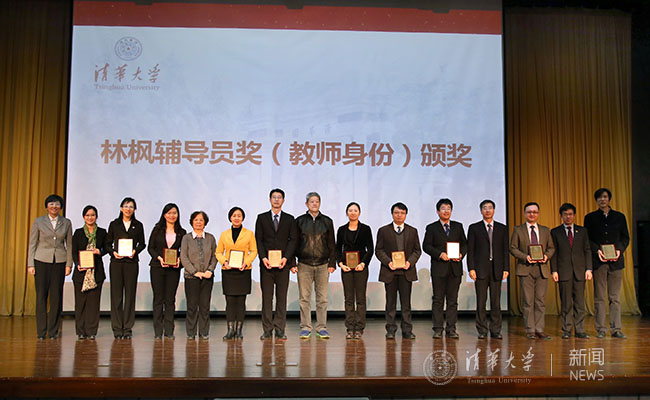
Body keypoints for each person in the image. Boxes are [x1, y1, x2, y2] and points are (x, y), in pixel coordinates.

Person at [584, 188, 630, 339]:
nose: (602, 199)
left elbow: (625, 238)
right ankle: (601, 329)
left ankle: (616, 329)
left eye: (604, 197)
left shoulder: (619, 217)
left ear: (609, 199)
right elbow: (587, 239)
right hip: (599, 262)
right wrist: (597, 250)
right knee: (599, 297)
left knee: (614, 297)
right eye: (599, 197)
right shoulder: (590, 218)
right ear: (596, 200)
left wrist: (619, 251)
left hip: (616, 263)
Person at [27, 194, 73, 339]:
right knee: (41, 296)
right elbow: (32, 243)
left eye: (57, 204)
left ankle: (53, 331)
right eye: (51, 204)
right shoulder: (38, 221)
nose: (54, 207)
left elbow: (69, 245)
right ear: (47, 206)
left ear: (61, 207)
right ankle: (41, 331)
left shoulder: (66, 222)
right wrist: (30, 264)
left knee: (56, 297)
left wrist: (69, 264)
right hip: (41, 261)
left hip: (59, 262)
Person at [255, 189, 298, 341]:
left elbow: (293, 240)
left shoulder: (289, 219)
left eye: (279, 197)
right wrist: (263, 258)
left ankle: (280, 328)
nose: (277, 200)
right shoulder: (261, 218)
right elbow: (258, 240)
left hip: (283, 265)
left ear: (283, 200)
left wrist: (286, 258)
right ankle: (267, 330)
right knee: (267, 298)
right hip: (266, 265)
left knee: (281, 298)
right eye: (274, 197)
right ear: (270, 200)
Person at [375, 202, 421, 339]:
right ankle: (390, 330)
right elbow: (379, 250)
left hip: (406, 272)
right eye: (396, 213)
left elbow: (417, 250)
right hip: (390, 272)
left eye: (402, 213)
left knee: (406, 304)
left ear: (406, 215)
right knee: (390, 303)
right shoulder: (383, 230)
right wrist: (388, 262)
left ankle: (407, 330)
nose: (399, 215)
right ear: (392, 214)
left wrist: (409, 262)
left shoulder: (412, 231)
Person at [422, 198, 467, 339]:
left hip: (455, 269)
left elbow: (465, 244)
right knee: (438, 300)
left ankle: (451, 329)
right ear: (437, 211)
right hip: (439, 269)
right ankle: (437, 329)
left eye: (448, 209)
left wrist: (461, 254)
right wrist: (439, 254)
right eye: (443, 209)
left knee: (453, 300)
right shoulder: (431, 227)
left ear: (451, 211)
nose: (446, 211)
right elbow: (426, 246)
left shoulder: (458, 226)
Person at [294, 192, 336, 339]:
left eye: (317, 201)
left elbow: (332, 244)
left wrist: (332, 262)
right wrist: (293, 262)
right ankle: (305, 327)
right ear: (306, 204)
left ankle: (321, 327)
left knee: (322, 299)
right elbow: (294, 243)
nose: (314, 204)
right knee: (304, 298)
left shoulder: (327, 221)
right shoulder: (299, 221)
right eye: (311, 201)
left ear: (320, 203)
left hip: (323, 264)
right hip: (304, 264)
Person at [510, 202, 555, 340]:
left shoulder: (545, 230)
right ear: (525, 213)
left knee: (540, 301)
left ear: (538, 214)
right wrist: (525, 257)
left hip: (542, 269)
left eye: (534, 212)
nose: (532, 214)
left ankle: (539, 329)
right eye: (529, 212)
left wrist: (546, 256)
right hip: (526, 269)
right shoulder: (518, 230)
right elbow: (512, 248)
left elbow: (551, 248)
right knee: (528, 301)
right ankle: (530, 330)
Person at [467, 199, 509, 339]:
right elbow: (470, 250)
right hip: (480, 269)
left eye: (490, 208)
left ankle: (496, 330)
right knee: (481, 301)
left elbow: (505, 250)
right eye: (484, 208)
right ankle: (482, 330)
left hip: (497, 269)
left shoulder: (502, 228)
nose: (487, 210)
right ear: (481, 211)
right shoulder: (474, 228)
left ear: (494, 210)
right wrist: (471, 268)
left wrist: (506, 268)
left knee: (496, 302)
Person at [105, 197, 146, 339]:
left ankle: (127, 328)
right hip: (116, 263)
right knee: (116, 296)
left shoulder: (138, 225)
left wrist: (135, 251)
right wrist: (113, 252)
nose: (128, 209)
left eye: (131, 207)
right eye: (126, 206)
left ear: (134, 209)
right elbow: (107, 243)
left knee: (130, 295)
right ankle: (117, 329)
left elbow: (142, 244)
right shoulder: (114, 224)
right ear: (121, 208)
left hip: (131, 263)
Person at [550, 203, 592, 339]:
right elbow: (554, 253)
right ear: (561, 216)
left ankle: (580, 330)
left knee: (579, 303)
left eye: (570, 214)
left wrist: (589, 269)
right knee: (566, 303)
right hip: (563, 272)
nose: (568, 217)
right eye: (565, 214)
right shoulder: (555, 232)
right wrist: (554, 271)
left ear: (574, 215)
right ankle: (567, 330)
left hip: (580, 271)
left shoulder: (582, 231)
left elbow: (587, 250)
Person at [215, 207, 258, 340]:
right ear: (230, 218)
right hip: (228, 271)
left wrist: (246, 262)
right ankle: (230, 330)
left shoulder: (249, 234)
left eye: (239, 216)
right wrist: (224, 262)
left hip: (243, 271)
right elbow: (218, 252)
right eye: (234, 216)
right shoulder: (224, 234)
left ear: (243, 218)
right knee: (230, 302)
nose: (236, 218)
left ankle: (239, 330)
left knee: (240, 301)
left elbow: (254, 251)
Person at [147, 203, 187, 339]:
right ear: (164, 215)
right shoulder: (157, 230)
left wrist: (179, 260)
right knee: (158, 299)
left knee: (170, 300)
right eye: (169, 213)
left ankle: (169, 331)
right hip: (157, 267)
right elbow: (150, 248)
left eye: (174, 213)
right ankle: (158, 331)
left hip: (173, 270)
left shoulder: (182, 232)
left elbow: (184, 251)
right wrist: (159, 258)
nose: (172, 215)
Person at [335, 202, 374, 339]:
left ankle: (359, 328)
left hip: (361, 268)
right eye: (350, 210)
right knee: (349, 299)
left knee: (361, 299)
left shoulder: (365, 229)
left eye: (355, 210)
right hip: (346, 268)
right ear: (347, 213)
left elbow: (370, 249)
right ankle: (350, 327)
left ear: (359, 213)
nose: (353, 212)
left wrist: (363, 263)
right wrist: (340, 263)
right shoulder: (341, 230)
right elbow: (337, 249)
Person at [71, 205, 107, 340]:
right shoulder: (78, 233)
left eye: (92, 215)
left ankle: (91, 331)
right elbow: (74, 251)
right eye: (87, 215)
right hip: (81, 273)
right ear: (83, 217)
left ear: (96, 217)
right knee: (80, 304)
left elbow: (107, 248)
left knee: (93, 304)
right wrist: (77, 264)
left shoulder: (102, 232)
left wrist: (100, 251)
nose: (90, 217)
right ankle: (81, 331)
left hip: (96, 273)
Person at [180, 211, 217, 340]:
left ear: (205, 222)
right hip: (191, 277)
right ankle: (191, 332)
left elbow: (215, 256)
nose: (198, 222)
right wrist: (195, 272)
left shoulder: (210, 238)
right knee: (192, 306)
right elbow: (183, 257)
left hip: (207, 277)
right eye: (196, 220)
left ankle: (204, 332)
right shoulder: (186, 238)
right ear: (192, 222)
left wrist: (210, 270)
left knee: (205, 306)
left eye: (201, 220)